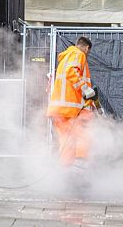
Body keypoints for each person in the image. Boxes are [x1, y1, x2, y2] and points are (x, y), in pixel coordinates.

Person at [46, 36, 97, 166]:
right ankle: (80, 168)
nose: (87, 54)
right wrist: (86, 89)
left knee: (67, 143)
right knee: (83, 138)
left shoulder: (65, 57)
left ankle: (66, 172)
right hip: (71, 110)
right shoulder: (78, 54)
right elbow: (72, 71)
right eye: (88, 52)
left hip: (59, 109)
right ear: (86, 48)